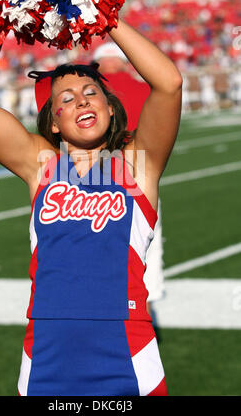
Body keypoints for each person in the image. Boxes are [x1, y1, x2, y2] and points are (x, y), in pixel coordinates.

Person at [0, 18, 182, 396]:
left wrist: (109, 20)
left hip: (125, 347)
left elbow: (169, 84)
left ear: (110, 109)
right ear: (54, 122)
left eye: (91, 93)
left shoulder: (137, 165)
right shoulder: (41, 165)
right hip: (46, 349)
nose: (81, 100)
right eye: (67, 98)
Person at [93, 42, 166, 316]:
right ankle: (143, 309)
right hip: (138, 176)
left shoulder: (85, 92)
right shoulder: (145, 89)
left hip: (88, 178)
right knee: (146, 245)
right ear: (125, 62)